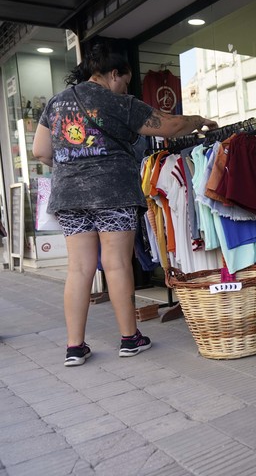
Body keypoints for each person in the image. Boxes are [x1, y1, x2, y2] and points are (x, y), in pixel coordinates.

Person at [32, 41, 218, 367]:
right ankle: (129, 339)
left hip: (70, 197)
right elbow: (170, 126)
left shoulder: (56, 103)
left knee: (78, 268)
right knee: (117, 264)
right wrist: (199, 119)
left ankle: (75, 347)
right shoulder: (118, 102)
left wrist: (73, 166)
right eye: (125, 80)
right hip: (113, 193)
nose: (125, 86)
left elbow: (40, 151)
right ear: (114, 74)